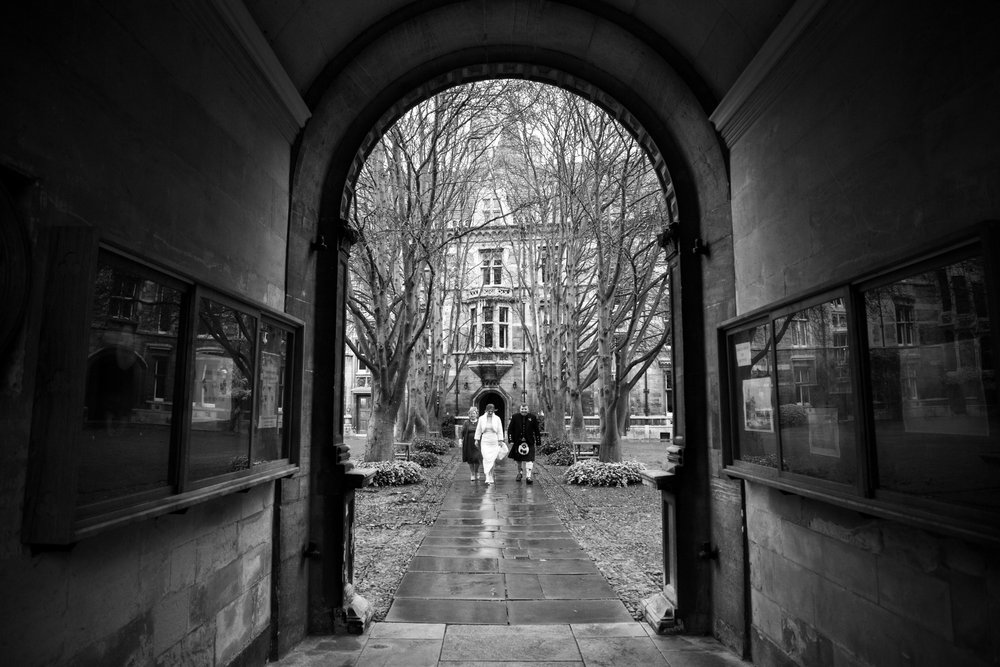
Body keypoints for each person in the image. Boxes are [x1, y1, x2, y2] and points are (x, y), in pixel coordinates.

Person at [507, 403, 542, 484]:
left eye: (525, 409)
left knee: (530, 459)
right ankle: (520, 473)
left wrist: (538, 441)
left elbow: (537, 430)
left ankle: (528, 476)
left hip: (529, 441)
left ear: (528, 409)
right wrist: (511, 440)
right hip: (518, 441)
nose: (524, 410)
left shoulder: (532, 417)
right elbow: (510, 429)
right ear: (520, 409)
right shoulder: (515, 417)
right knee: (518, 460)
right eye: (522, 409)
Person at [474, 403, 505, 485]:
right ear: (486, 411)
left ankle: (491, 475)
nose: (490, 412)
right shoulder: (481, 418)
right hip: (485, 440)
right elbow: (478, 429)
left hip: (494, 440)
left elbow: (500, 430)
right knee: (486, 458)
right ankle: (487, 476)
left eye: (492, 411)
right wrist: (476, 439)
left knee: (492, 459)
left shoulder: (497, 419)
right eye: (489, 411)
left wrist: (500, 440)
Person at [460, 406, 481, 481]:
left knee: (477, 458)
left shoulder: (479, 422)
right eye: (471, 413)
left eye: (474, 413)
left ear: (476, 414)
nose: (472, 415)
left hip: (478, 443)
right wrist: (460, 440)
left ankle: (476, 471)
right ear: (469, 414)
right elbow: (462, 432)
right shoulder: (466, 422)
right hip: (468, 443)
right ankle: (472, 473)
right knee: (470, 459)